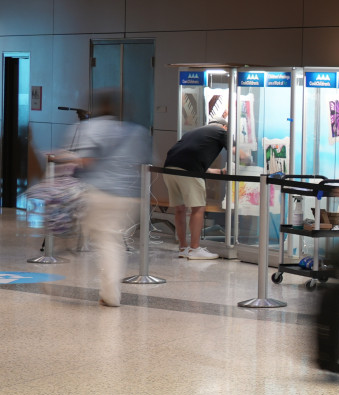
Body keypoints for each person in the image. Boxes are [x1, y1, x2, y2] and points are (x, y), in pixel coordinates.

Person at [56, 91, 150, 308]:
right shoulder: (137, 131)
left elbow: (87, 160)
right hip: (128, 195)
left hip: (100, 193)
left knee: (104, 240)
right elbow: (143, 162)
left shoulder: (90, 128)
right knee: (112, 240)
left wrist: (64, 156)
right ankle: (109, 290)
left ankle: (110, 293)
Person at [163, 117, 232, 259]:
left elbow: (190, 157)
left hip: (170, 168)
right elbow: (237, 151)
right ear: (225, 126)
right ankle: (195, 249)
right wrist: (248, 158)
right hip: (189, 171)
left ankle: (183, 247)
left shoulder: (195, 132)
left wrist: (218, 171)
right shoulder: (221, 131)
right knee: (198, 208)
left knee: (180, 208)